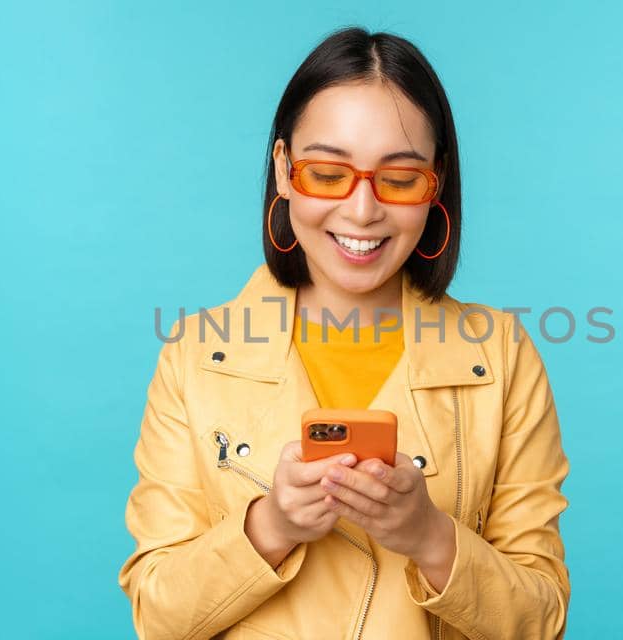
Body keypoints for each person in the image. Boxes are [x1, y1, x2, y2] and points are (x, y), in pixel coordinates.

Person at [119, 26, 570, 639]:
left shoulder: (500, 356)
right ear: (282, 170)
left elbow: (541, 621)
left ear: (436, 184)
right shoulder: (197, 356)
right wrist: (270, 528)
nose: (362, 211)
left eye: (400, 178)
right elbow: (158, 617)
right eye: (328, 173)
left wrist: (430, 537)